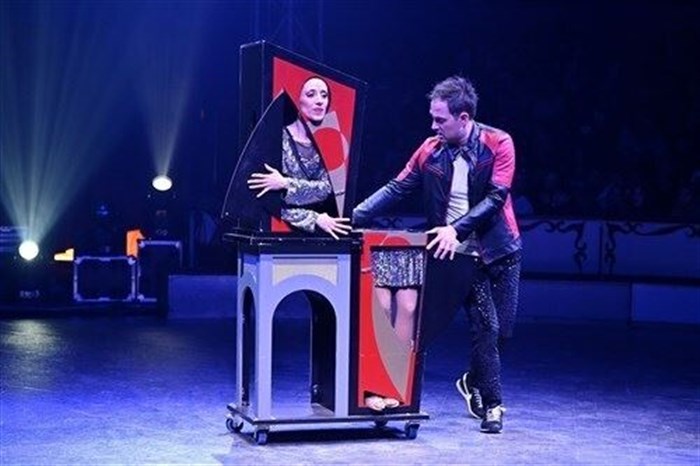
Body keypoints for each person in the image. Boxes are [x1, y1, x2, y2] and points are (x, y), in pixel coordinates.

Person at [353, 75, 522, 433]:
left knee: (502, 333)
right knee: (487, 328)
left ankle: (472, 381)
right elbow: (396, 187)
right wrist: (350, 216)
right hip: (460, 255)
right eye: (432, 118)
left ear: (464, 118)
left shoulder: (499, 143)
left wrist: (455, 228)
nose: (433, 126)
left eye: (440, 119)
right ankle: (493, 405)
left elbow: (496, 198)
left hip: (501, 249)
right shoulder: (430, 150)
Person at [247, 76, 351, 239]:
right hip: (278, 236)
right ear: (298, 100)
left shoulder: (329, 145)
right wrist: (314, 218)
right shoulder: (276, 140)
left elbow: (327, 189)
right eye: (311, 94)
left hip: (322, 235)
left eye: (324, 95)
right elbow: (267, 201)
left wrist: (285, 183)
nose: (320, 101)